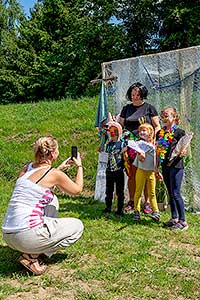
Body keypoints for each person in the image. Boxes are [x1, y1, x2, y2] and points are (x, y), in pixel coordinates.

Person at [2, 136, 84, 275]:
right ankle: (32, 256)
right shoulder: (54, 174)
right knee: (77, 227)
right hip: (25, 235)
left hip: (8, 235)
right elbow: (77, 189)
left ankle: (30, 250)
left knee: (53, 201)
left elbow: (37, 185)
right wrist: (79, 166)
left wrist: (58, 169)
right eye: (57, 150)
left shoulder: (26, 168)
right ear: (53, 154)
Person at [119, 82, 160, 213]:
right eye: (132, 94)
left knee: (147, 173)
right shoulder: (126, 108)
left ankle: (147, 203)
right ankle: (132, 200)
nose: (135, 97)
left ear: (142, 94)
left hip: (146, 146)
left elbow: (157, 126)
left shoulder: (149, 108)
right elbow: (120, 125)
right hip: (131, 146)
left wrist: (154, 140)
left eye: (137, 94)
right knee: (132, 174)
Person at [156, 107, 188, 230]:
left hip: (176, 166)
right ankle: (174, 218)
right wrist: (156, 167)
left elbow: (184, 148)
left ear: (174, 117)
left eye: (166, 115)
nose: (164, 118)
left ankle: (183, 221)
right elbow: (158, 151)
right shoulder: (160, 133)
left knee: (176, 192)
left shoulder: (180, 132)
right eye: (162, 116)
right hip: (165, 166)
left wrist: (182, 152)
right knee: (170, 192)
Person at [128, 123, 160, 221]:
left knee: (152, 193)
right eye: (140, 131)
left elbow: (156, 159)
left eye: (144, 130)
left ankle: (156, 212)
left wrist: (157, 170)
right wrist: (141, 155)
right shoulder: (139, 144)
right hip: (141, 171)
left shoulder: (153, 145)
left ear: (150, 132)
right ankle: (136, 211)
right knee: (138, 191)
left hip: (150, 172)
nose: (141, 132)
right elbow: (141, 159)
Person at [102, 121, 125, 217]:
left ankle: (120, 209)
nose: (112, 134)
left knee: (120, 191)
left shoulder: (122, 143)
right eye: (110, 132)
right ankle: (108, 207)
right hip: (109, 170)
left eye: (114, 132)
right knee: (109, 190)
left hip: (119, 170)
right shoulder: (108, 144)